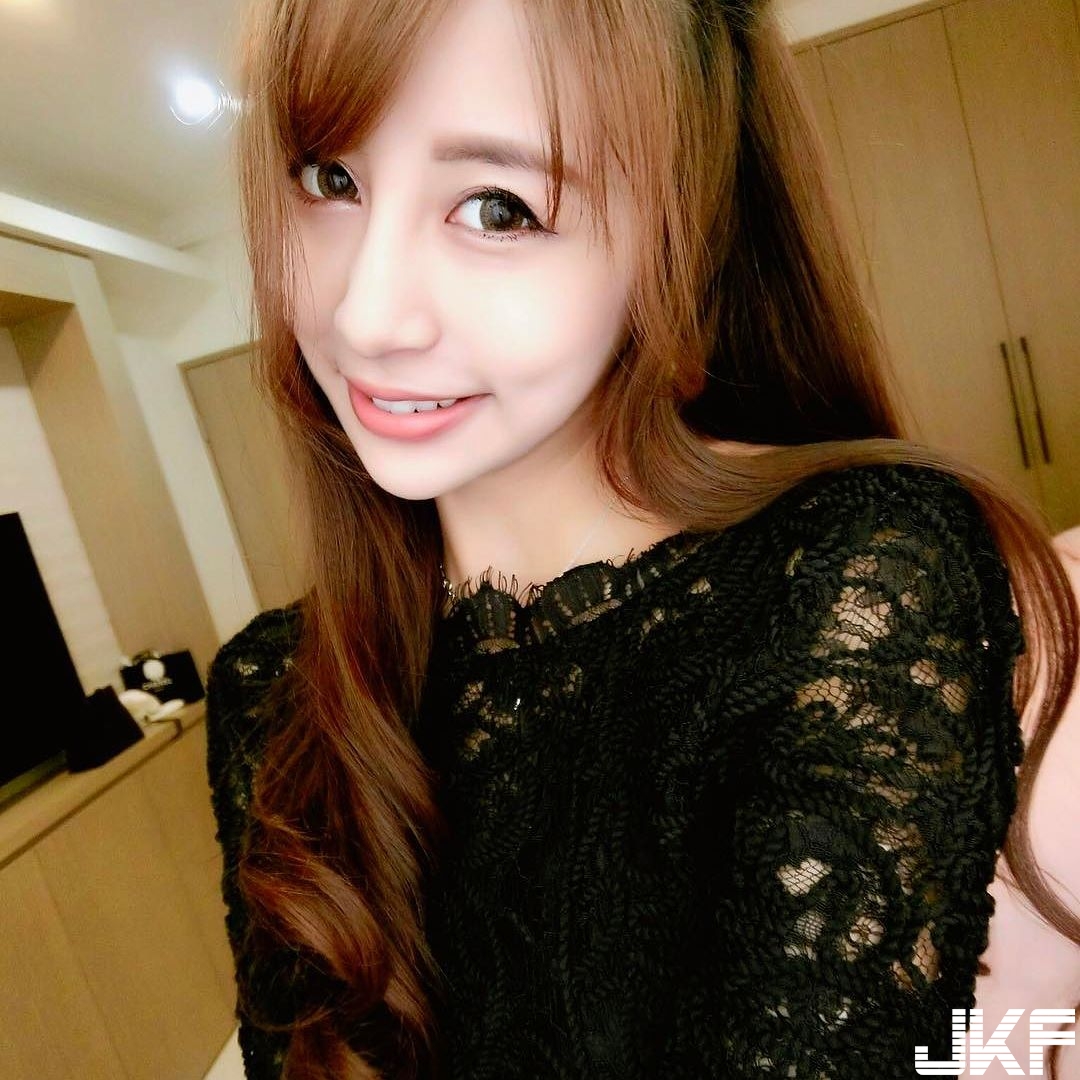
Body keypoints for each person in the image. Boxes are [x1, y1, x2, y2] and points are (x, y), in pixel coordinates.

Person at [205, 0, 1080, 1077]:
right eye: (331, 180)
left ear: (680, 241)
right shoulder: (273, 694)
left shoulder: (846, 579)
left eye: (498, 208)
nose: (365, 316)